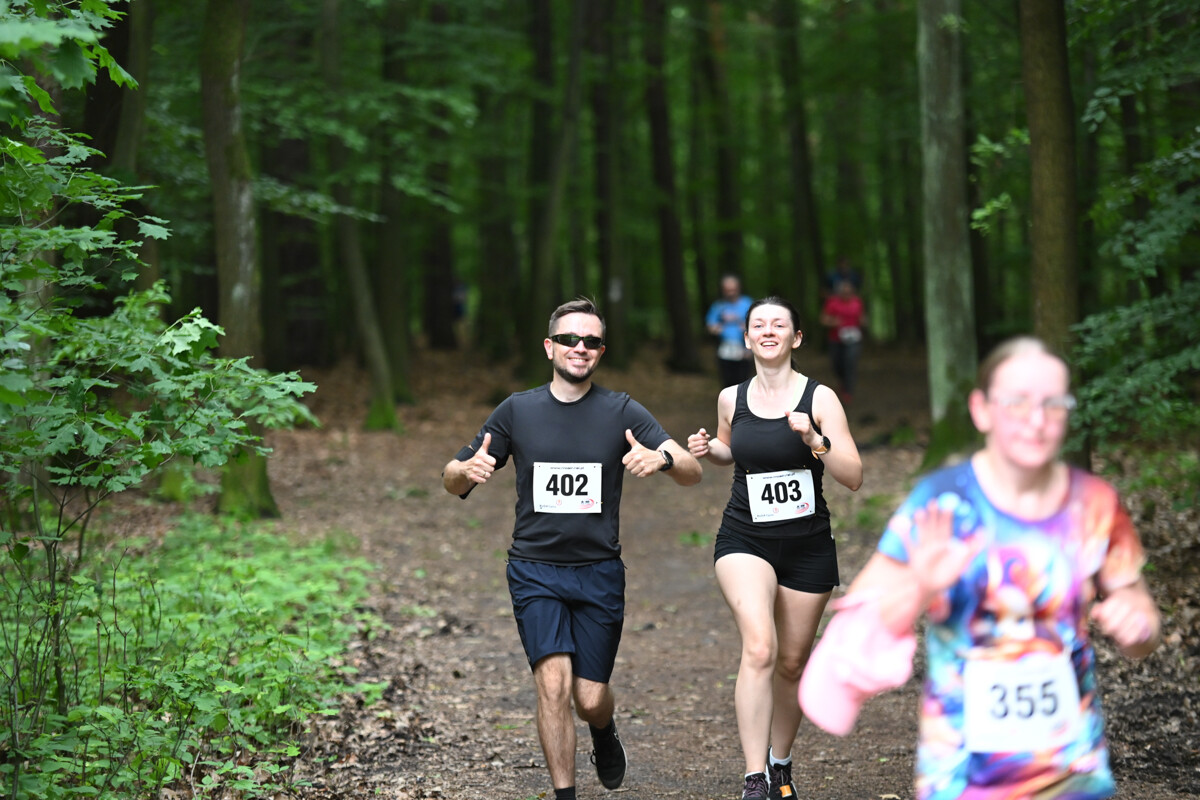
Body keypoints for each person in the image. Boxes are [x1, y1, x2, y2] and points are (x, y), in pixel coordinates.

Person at [800, 336, 1161, 800]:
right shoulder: (942, 503)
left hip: (1071, 768)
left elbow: (1142, 620)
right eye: (1017, 402)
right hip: (962, 774)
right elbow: (844, 650)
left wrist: (1137, 624)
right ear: (981, 409)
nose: (1036, 421)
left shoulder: (1095, 504)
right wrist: (919, 587)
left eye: (1053, 404)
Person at [442, 297, 702, 800]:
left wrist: (663, 460)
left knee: (589, 697)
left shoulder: (621, 410)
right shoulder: (517, 410)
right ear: (549, 347)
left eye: (591, 341)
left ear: (600, 352)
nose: (579, 348)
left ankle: (603, 732)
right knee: (553, 686)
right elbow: (453, 477)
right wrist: (463, 472)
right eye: (569, 339)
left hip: (599, 571)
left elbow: (689, 469)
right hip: (535, 569)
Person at [686, 296, 863, 800]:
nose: (767, 331)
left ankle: (779, 762)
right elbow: (729, 449)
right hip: (745, 538)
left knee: (791, 663)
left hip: (807, 546)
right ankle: (754, 779)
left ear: (796, 337)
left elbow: (852, 476)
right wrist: (709, 448)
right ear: (745, 337)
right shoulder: (730, 398)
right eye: (757, 324)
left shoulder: (820, 398)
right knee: (760, 646)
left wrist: (814, 438)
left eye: (778, 324)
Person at [819, 279, 866, 404]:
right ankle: (842, 382)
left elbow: (862, 317)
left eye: (849, 292)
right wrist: (833, 322)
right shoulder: (832, 302)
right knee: (837, 364)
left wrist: (863, 322)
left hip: (854, 339)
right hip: (836, 339)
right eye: (844, 292)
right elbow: (823, 319)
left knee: (850, 362)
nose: (846, 294)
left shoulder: (857, 302)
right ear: (839, 292)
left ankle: (848, 391)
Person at [706, 274, 755, 388]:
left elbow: (758, 325)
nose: (731, 292)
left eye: (733, 289)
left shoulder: (748, 303)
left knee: (744, 384)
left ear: (738, 288)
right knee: (727, 384)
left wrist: (742, 324)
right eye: (727, 290)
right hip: (725, 351)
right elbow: (710, 326)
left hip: (744, 350)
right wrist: (718, 327)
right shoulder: (718, 306)